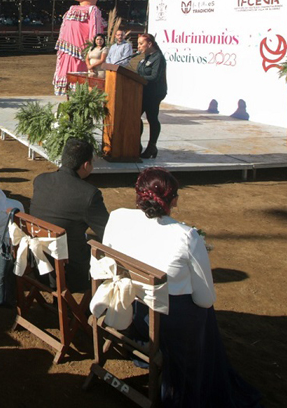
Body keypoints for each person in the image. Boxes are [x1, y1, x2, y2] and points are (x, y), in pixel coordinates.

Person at [102, 168, 262, 408]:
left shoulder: (117, 217)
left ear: (137, 194)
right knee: (204, 313)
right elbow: (205, 299)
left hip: (126, 307)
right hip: (163, 322)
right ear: (174, 200)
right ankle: (190, 382)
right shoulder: (186, 237)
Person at [28, 138, 108, 292]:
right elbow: (108, 233)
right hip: (70, 273)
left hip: (38, 264)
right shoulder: (89, 195)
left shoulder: (41, 180)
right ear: (86, 165)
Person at [53, 0, 106, 95]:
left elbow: (95, 37)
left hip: (81, 61)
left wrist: (92, 59)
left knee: (79, 90)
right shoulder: (71, 9)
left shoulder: (93, 11)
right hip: (66, 58)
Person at [137, 33, 167, 159]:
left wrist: (138, 78)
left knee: (152, 118)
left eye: (141, 43)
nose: (138, 46)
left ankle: (152, 146)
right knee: (134, 117)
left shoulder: (158, 58)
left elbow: (154, 77)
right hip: (143, 92)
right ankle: (135, 144)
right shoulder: (146, 57)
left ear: (150, 44)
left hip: (154, 93)